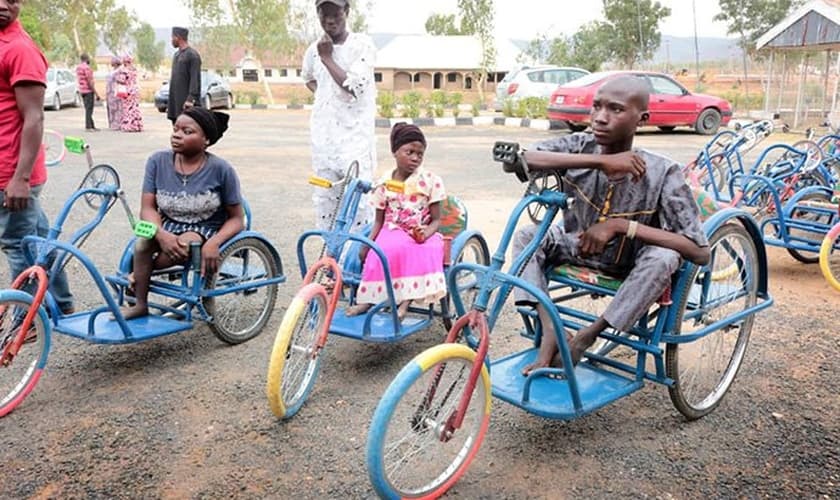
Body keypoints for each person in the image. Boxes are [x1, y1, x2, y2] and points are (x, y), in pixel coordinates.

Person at [512, 75, 711, 375]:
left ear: (641, 119)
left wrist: (621, 226)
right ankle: (550, 325)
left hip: (632, 262)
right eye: (597, 107)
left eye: (616, 110)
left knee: (665, 257)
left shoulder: (663, 172)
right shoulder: (580, 146)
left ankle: (589, 335)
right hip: (578, 245)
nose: (600, 118)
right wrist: (601, 162)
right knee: (528, 234)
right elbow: (518, 159)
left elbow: (699, 251)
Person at [121, 107, 242, 319]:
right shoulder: (157, 162)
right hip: (167, 224)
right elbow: (148, 208)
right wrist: (161, 234)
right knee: (142, 243)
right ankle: (140, 304)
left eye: (187, 132)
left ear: (206, 140)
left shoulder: (221, 169)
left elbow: (237, 219)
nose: (177, 134)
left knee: (185, 244)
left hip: (205, 228)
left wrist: (214, 243)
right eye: (176, 129)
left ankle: (138, 275)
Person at [0, 0, 74, 314]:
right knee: (40, 239)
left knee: (18, 244)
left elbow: (34, 118)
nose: (4, 4)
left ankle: (25, 319)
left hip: (13, 173)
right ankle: (63, 303)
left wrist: (20, 178)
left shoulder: (19, 49)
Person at [346, 123, 446, 320]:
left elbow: (437, 220)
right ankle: (368, 301)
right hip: (391, 230)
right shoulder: (384, 182)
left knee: (413, 250)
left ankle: (405, 302)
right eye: (409, 152)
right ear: (395, 151)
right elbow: (378, 221)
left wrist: (424, 233)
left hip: (421, 233)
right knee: (378, 251)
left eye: (420, 154)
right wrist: (368, 244)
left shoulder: (430, 180)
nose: (415, 158)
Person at [302, 0, 377, 231]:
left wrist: (327, 58)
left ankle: (355, 263)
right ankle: (330, 262)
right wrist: (330, 101)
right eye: (323, 15)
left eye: (335, 14)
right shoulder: (313, 50)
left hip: (354, 140)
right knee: (327, 204)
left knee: (358, 202)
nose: (329, 20)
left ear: (347, 11)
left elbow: (354, 86)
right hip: (324, 140)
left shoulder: (362, 45)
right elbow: (309, 79)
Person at [167, 26, 201, 124]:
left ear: (178, 37)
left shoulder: (192, 55)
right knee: (176, 128)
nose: (171, 40)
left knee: (187, 129)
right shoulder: (176, 55)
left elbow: (195, 79)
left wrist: (190, 99)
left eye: (172, 37)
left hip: (186, 103)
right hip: (175, 103)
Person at [114, 55, 143, 132]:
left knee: (127, 109)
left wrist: (117, 78)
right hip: (135, 90)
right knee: (134, 108)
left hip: (127, 91)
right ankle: (137, 125)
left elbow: (122, 80)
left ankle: (129, 126)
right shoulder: (134, 69)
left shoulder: (124, 70)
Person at [75, 53, 100, 131]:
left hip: (82, 90)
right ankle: (88, 126)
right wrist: (96, 93)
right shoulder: (86, 68)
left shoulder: (78, 68)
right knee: (89, 109)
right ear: (86, 59)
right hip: (88, 90)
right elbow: (89, 81)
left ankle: (91, 125)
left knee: (87, 108)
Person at [105, 56, 123, 130]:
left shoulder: (120, 71)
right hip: (110, 92)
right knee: (111, 109)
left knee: (117, 109)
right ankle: (112, 124)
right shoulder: (112, 71)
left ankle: (118, 124)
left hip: (116, 92)